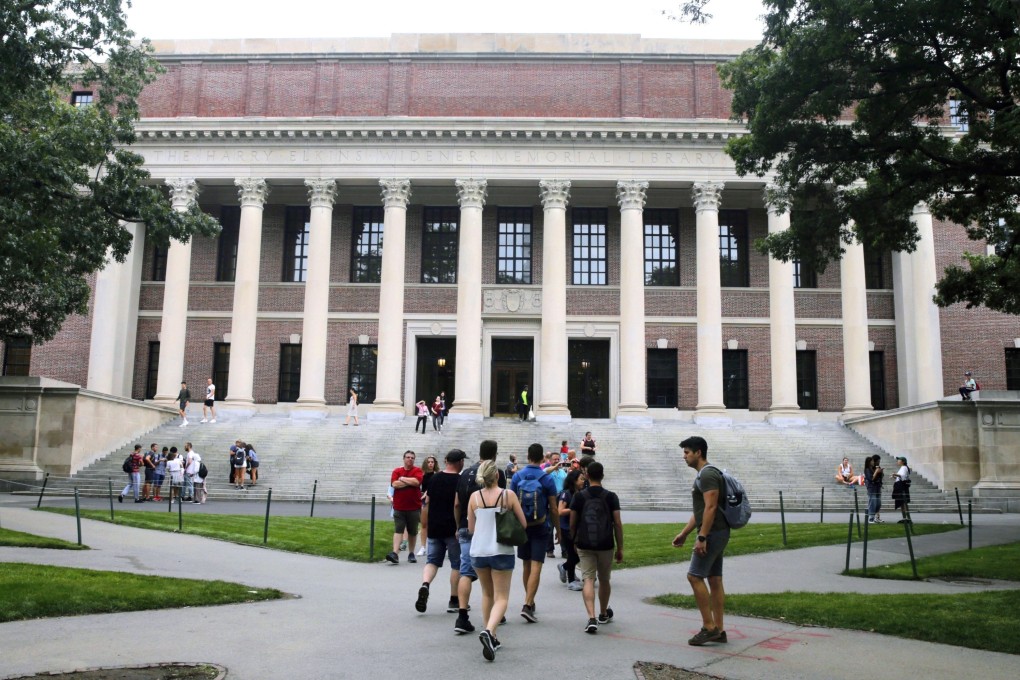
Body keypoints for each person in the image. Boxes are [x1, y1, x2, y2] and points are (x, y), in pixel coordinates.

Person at [468, 459, 528, 661]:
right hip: (501, 550)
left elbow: (471, 529)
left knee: (487, 594)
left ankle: (491, 636)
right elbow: (523, 523)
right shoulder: (507, 495)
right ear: (496, 475)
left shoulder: (474, 497)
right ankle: (489, 631)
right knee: (502, 597)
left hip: (478, 550)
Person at [673, 436, 730, 646]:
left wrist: (702, 537)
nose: (684, 456)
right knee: (714, 579)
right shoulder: (703, 475)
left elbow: (711, 508)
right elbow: (700, 511)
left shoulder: (707, 475)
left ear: (698, 452)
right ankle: (720, 629)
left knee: (694, 576)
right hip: (716, 532)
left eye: (687, 452)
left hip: (713, 533)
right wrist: (685, 533)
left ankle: (709, 627)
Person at [453, 440, 506, 635]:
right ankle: (496, 612)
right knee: (494, 572)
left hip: (468, 527)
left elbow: (457, 503)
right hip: (490, 530)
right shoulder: (496, 472)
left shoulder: (466, 473)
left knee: (466, 571)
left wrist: (459, 525)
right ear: (495, 454)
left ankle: (462, 614)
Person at [570, 461, 623, 634]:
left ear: (586, 475)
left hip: (585, 542)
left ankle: (591, 617)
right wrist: (620, 547)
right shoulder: (611, 496)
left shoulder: (579, 496)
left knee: (588, 579)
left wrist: (574, 540)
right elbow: (617, 523)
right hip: (606, 543)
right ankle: (602, 613)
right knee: (605, 579)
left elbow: (573, 522)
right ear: (603, 475)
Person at [509, 442, 559, 623]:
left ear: (528, 456)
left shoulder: (517, 476)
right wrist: (558, 531)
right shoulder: (546, 479)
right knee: (537, 565)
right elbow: (554, 509)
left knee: (526, 565)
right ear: (541, 459)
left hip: (522, 527)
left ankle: (529, 600)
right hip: (540, 526)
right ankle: (528, 604)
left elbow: (511, 503)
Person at [415, 449, 466, 614]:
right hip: (452, 528)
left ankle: (425, 584)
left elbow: (427, 500)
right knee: (456, 565)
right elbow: (458, 504)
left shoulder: (434, 478)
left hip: (435, 526)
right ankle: (453, 600)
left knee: (432, 561)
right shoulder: (460, 480)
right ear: (459, 462)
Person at [386, 450, 423, 564]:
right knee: (398, 529)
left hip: (414, 507)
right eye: (408, 457)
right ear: (404, 458)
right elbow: (394, 484)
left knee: (412, 531)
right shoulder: (397, 471)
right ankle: (395, 553)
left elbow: (417, 482)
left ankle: (411, 553)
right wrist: (409, 482)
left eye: (412, 457)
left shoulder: (417, 470)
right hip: (399, 507)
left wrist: (402, 479)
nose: (410, 459)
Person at [557, 469, 584, 591]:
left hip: (578, 528)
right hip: (566, 528)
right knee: (574, 553)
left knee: (578, 553)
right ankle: (571, 580)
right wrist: (574, 508)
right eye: (581, 479)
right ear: (574, 481)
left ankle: (565, 567)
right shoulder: (566, 494)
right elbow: (560, 511)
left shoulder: (580, 493)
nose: (583, 481)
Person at [417, 455, 440, 556]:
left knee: (435, 524)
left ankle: (435, 545)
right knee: (424, 524)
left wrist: (428, 493)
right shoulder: (421, 475)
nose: (430, 464)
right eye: (428, 462)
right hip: (424, 501)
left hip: (435, 501)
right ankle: (423, 547)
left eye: (432, 462)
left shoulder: (437, 475)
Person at [864, 455, 885, 523]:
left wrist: (881, 472)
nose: (873, 462)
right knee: (872, 502)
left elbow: (879, 477)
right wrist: (876, 472)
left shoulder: (876, 467)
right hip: (871, 488)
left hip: (877, 487)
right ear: (869, 462)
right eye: (872, 461)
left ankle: (876, 517)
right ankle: (871, 518)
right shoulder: (867, 469)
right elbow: (871, 479)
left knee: (878, 503)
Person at [892, 455, 911, 523]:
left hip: (901, 487)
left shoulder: (904, 467)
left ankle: (907, 518)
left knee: (903, 502)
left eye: (899, 460)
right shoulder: (903, 467)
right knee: (902, 503)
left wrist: (895, 474)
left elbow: (902, 476)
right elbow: (901, 477)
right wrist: (895, 476)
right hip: (900, 485)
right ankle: (905, 518)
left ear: (902, 461)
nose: (897, 461)